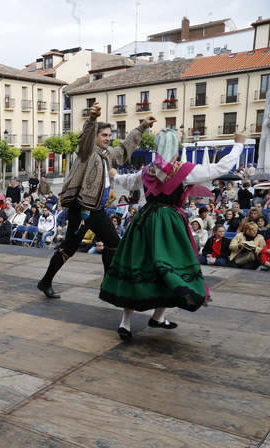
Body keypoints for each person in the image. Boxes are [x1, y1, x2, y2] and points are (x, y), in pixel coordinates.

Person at [99, 129, 244, 341]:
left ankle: (128, 323)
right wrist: (238, 144)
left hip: (144, 223)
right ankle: (157, 317)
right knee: (170, 270)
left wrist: (114, 175)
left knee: (138, 267)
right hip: (170, 226)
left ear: (156, 148)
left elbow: (128, 181)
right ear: (176, 148)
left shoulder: (148, 170)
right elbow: (220, 168)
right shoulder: (184, 171)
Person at [37, 102, 154, 299]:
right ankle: (45, 281)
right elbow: (85, 140)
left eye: (109, 135)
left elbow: (124, 150)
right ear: (96, 137)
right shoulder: (87, 152)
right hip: (81, 210)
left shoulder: (108, 155)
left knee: (114, 244)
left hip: (98, 211)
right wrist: (92, 120)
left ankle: (107, 285)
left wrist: (141, 127)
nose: (108, 138)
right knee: (69, 248)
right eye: (104, 135)